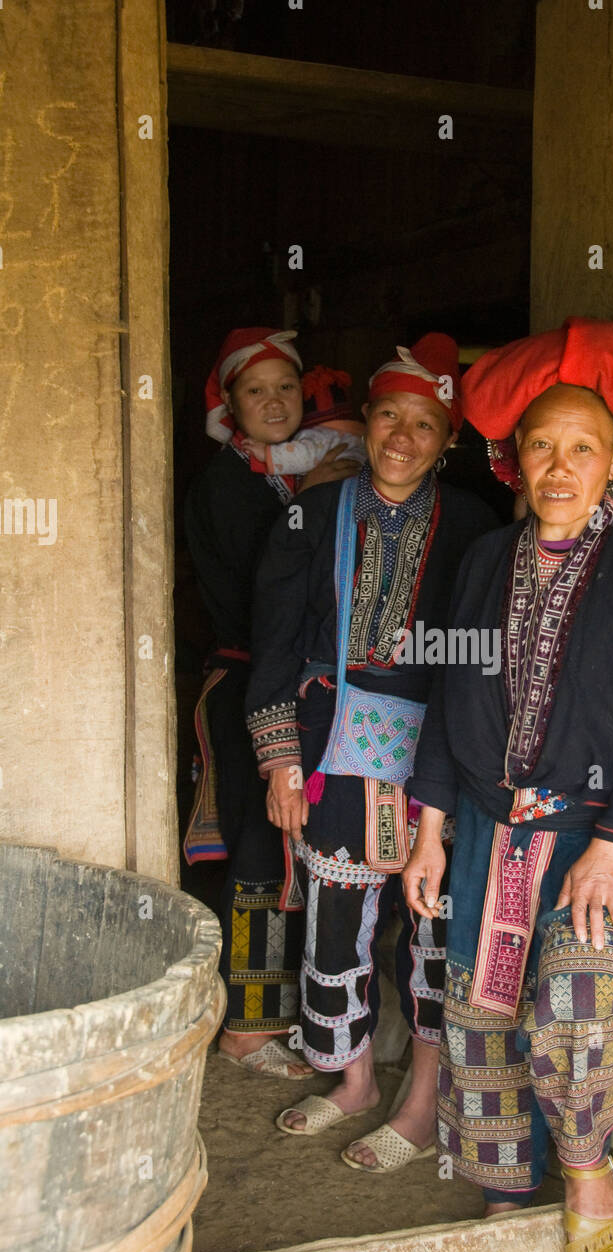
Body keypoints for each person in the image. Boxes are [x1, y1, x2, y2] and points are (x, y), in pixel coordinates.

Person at [402, 317, 613, 1252]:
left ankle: (588, 1172)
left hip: (595, 837)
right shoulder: (482, 561)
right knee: (479, 1010)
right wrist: (427, 829)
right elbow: (445, 694)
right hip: (487, 829)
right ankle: (505, 1186)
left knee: (572, 1008)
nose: (558, 464)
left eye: (581, 447)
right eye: (540, 444)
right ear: (511, 460)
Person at [246, 333, 499, 1170]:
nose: (401, 438)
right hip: (331, 744)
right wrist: (282, 757)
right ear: (367, 423)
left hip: (438, 752)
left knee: (430, 925)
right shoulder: (312, 515)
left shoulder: (475, 527)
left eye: (422, 425)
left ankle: (422, 1104)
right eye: (388, 416)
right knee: (336, 915)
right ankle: (352, 1080)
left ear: (447, 438)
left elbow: (478, 651)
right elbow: (275, 640)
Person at [184, 327, 362, 1079]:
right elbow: (267, 593)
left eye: (285, 387)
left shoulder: (284, 474)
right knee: (260, 848)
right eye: (255, 391)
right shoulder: (231, 486)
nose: (273, 402)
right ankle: (248, 1027)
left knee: (304, 845)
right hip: (250, 685)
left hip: (300, 688)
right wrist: (318, 498)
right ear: (229, 407)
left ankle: (299, 1008)